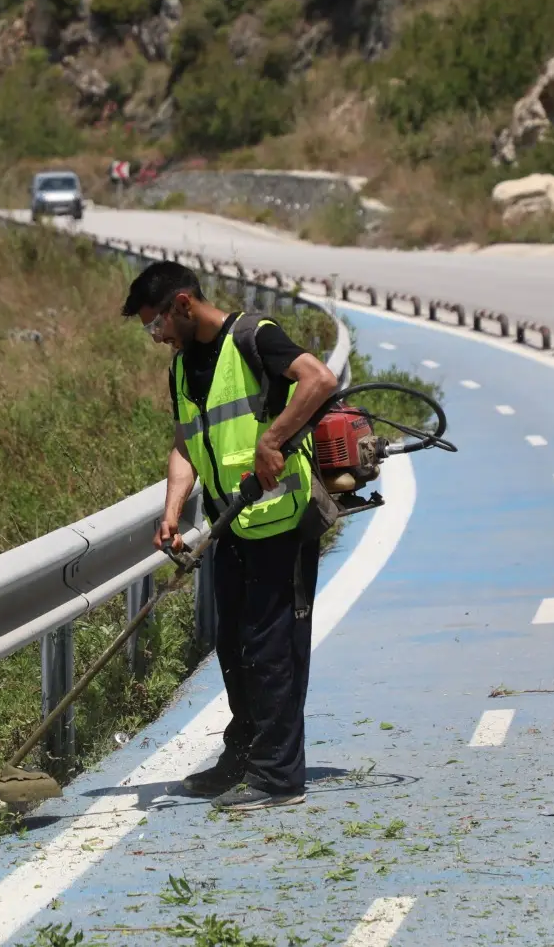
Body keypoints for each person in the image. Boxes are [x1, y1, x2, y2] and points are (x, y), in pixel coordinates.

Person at [122, 261, 338, 811]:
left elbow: (318, 380)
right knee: (234, 647)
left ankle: (278, 777)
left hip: (281, 520)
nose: (156, 337)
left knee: (272, 649)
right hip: (232, 523)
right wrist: (173, 510)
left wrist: (275, 440)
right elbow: (184, 444)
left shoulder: (253, 337)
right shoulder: (182, 368)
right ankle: (242, 756)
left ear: (183, 304)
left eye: (156, 325)